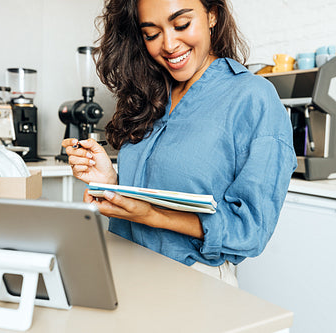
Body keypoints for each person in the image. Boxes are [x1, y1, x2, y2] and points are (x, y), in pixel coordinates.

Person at [61, 0, 297, 286]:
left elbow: (251, 229)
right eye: (151, 33)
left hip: (195, 281)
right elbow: (154, 191)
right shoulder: (151, 93)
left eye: (182, 24)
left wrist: (153, 216)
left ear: (212, 15)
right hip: (125, 267)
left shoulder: (253, 97)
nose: (169, 44)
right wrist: (110, 181)